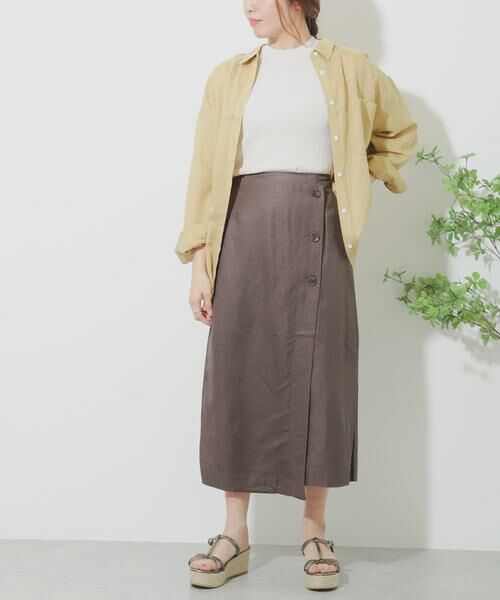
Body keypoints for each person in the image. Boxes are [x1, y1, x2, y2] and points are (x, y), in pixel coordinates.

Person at [175, 0, 418, 590]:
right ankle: (235, 534)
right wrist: (200, 262)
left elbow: (400, 136)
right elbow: (205, 174)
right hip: (242, 233)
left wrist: (358, 176)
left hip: (320, 232)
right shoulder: (228, 76)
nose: (248, 7)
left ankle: (315, 530)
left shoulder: (352, 68)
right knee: (237, 372)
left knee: (321, 376)